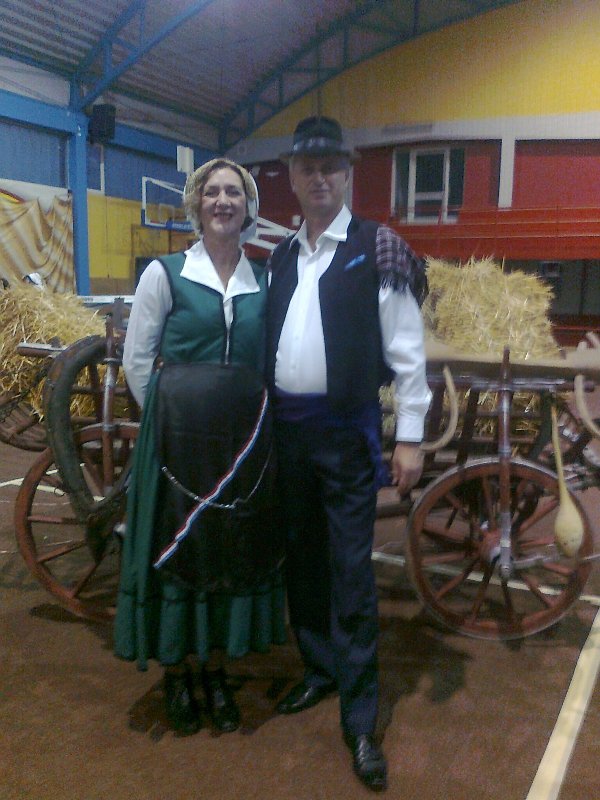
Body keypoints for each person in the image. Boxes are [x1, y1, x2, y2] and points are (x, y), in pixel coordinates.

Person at [266, 116, 431, 792]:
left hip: (345, 434)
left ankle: (360, 719)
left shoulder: (378, 248)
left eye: (331, 167)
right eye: (308, 168)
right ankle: (319, 669)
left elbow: (408, 352)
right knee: (301, 560)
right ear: (293, 177)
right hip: (287, 435)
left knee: (350, 575)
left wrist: (410, 436)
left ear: (347, 174)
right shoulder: (280, 256)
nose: (320, 178)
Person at [114, 158, 286, 736]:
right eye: (212, 191)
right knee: (179, 552)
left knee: (228, 549)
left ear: (248, 207)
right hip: (178, 445)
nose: (222, 201)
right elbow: (138, 360)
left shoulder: (264, 279)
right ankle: (177, 672)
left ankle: (214, 670)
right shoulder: (164, 273)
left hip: (241, 446)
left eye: (233, 192)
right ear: (196, 204)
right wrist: (168, 422)